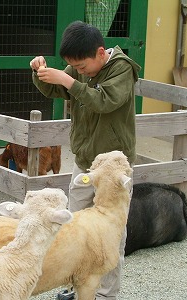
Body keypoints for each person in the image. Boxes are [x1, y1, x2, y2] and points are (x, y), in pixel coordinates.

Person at [30, 20, 141, 299]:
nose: (77, 72)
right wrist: (39, 72)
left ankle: (105, 294)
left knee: (111, 236)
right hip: (85, 161)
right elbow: (57, 89)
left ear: (101, 53)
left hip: (113, 170)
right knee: (75, 226)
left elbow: (104, 101)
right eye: (73, 68)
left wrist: (69, 80)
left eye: (81, 67)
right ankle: (77, 287)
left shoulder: (122, 69)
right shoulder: (81, 69)